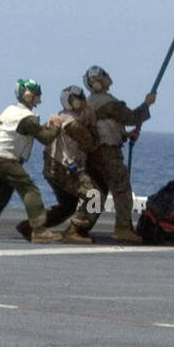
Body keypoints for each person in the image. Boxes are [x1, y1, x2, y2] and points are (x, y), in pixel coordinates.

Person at [0, 78, 64, 243]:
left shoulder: (11, 110)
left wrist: (45, 127)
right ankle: (39, 230)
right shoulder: (26, 117)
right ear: (28, 96)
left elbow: (31, 131)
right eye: (37, 96)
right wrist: (56, 125)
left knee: (1, 194)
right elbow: (46, 138)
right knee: (30, 190)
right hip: (5, 158)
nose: (39, 100)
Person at [17, 86, 101, 244]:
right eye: (78, 99)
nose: (82, 102)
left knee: (68, 206)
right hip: (64, 169)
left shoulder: (63, 117)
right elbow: (92, 144)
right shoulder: (72, 124)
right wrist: (94, 125)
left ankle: (31, 226)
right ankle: (76, 230)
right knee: (95, 196)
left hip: (53, 169)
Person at [84, 66, 156, 244]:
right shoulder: (107, 102)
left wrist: (126, 135)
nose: (109, 77)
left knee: (97, 192)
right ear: (98, 82)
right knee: (122, 189)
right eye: (105, 75)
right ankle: (123, 228)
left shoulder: (91, 101)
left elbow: (106, 125)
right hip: (108, 151)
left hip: (94, 153)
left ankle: (80, 226)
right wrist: (147, 104)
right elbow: (131, 117)